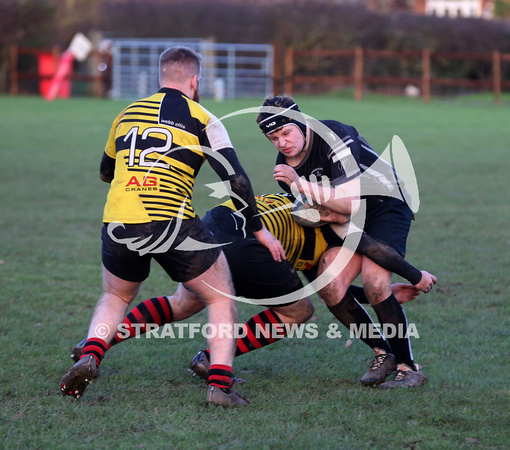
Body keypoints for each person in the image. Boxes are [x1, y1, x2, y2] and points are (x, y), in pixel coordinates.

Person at [60, 46, 285, 407]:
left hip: (119, 218)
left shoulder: (127, 113)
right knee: (219, 295)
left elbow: (106, 172)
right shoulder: (203, 118)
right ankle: (220, 387)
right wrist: (258, 227)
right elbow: (237, 181)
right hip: (171, 219)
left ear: (161, 76)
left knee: (116, 294)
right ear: (195, 80)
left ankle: (92, 353)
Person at [70, 193, 436, 391]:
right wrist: (413, 276)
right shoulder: (334, 232)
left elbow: (315, 284)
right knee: (298, 313)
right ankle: (211, 359)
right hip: (249, 249)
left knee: (184, 302)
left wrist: (366, 291)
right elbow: (329, 284)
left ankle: (94, 348)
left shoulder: (299, 202)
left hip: (211, 226)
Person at [256, 96, 436, 388]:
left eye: (286, 133)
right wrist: (324, 210)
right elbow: (328, 220)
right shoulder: (284, 168)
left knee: (376, 282)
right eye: (273, 138)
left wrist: (301, 185)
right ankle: (383, 353)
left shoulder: (336, 136)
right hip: (345, 218)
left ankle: (408, 367)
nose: (282, 143)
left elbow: (349, 205)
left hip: (385, 204)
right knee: (330, 283)